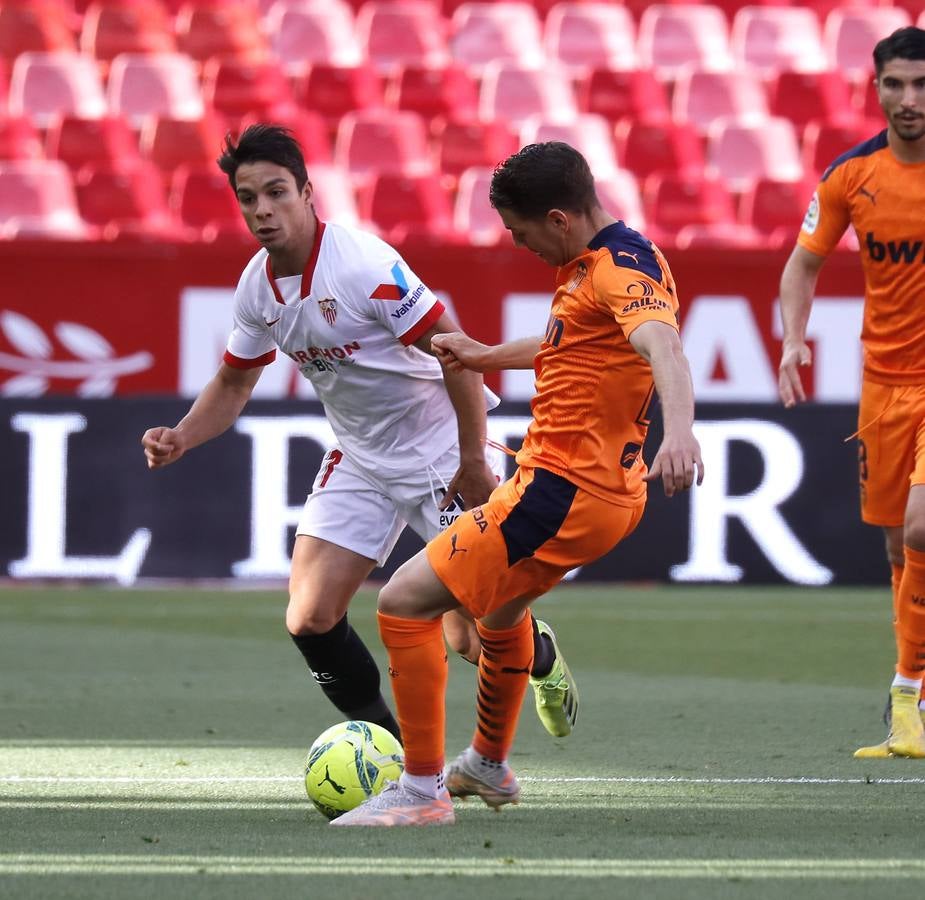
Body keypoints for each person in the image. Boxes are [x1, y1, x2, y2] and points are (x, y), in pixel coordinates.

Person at [140, 124, 580, 745]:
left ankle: (539, 657)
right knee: (310, 615)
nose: (263, 210)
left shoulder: (365, 267)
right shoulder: (255, 287)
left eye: (276, 193)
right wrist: (182, 435)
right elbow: (234, 384)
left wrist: (473, 462)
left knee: (471, 640)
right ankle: (389, 752)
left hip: (441, 451)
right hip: (361, 457)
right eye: (248, 198)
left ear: (308, 192)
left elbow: (454, 352)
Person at [331, 141, 704, 827]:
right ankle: (487, 766)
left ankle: (420, 793)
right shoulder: (609, 262)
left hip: (561, 492)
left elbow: (664, 346)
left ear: (558, 219)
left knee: (404, 602)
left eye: (519, 229)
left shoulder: (615, 268)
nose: (516, 242)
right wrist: (482, 354)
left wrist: (679, 432)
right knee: (498, 620)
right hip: (589, 492)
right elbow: (574, 345)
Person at [778, 27, 925, 759]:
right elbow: (801, 266)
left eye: (921, 86)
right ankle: (911, 701)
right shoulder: (849, 176)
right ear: (875, 88)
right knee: (898, 546)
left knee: (923, 529)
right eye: (895, 85)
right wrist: (792, 339)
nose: (908, 101)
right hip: (883, 386)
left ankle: (905, 689)